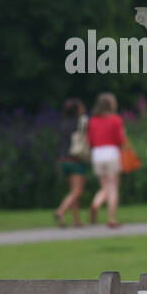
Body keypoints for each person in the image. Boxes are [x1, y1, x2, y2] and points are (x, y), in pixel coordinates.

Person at [87, 91, 126, 228]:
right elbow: (120, 139)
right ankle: (111, 218)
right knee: (113, 187)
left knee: (105, 186)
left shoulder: (92, 121)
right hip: (111, 153)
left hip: (97, 154)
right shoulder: (116, 119)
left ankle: (96, 203)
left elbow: (90, 140)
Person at [54, 98, 91, 228]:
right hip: (76, 159)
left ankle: (76, 220)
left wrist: (58, 159)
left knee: (73, 190)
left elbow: (59, 144)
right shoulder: (81, 121)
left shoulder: (63, 123)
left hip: (63, 160)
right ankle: (61, 210)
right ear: (77, 109)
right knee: (77, 191)